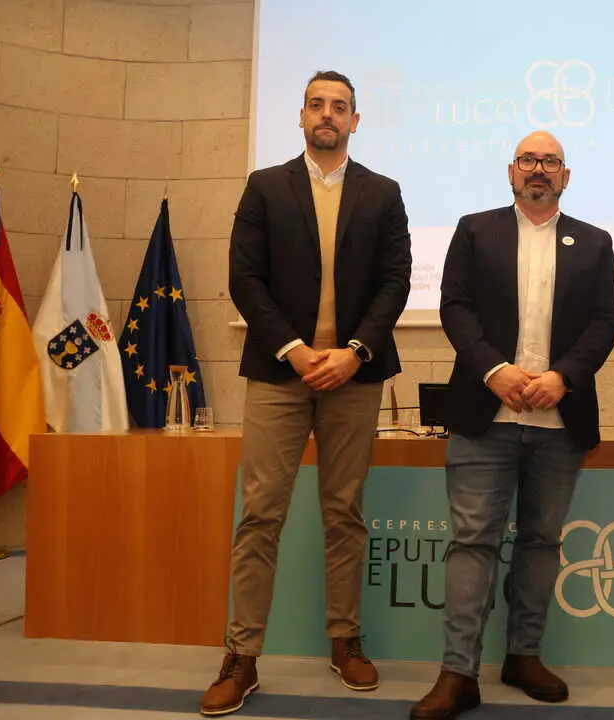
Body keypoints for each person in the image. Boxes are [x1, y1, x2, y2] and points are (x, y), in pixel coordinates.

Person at [200, 70, 412, 717]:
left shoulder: (383, 193)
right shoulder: (266, 187)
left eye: (339, 107)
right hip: (278, 374)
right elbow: (244, 278)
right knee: (261, 514)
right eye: (317, 105)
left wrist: (353, 353)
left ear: (355, 120)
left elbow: (395, 281)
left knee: (344, 512)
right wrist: (295, 350)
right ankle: (243, 656)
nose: (328, 115)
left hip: (355, 375)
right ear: (300, 117)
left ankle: (345, 640)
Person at [410, 131, 614, 720]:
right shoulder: (475, 230)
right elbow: (454, 307)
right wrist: (494, 370)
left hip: (560, 418)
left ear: (566, 176)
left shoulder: (595, 241)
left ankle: (523, 656)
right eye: (529, 160)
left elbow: (606, 320)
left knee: (540, 542)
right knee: (473, 541)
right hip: (485, 415)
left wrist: (564, 377)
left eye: (550, 161)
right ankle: (459, 673)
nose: (539, 169)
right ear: (511, 171)